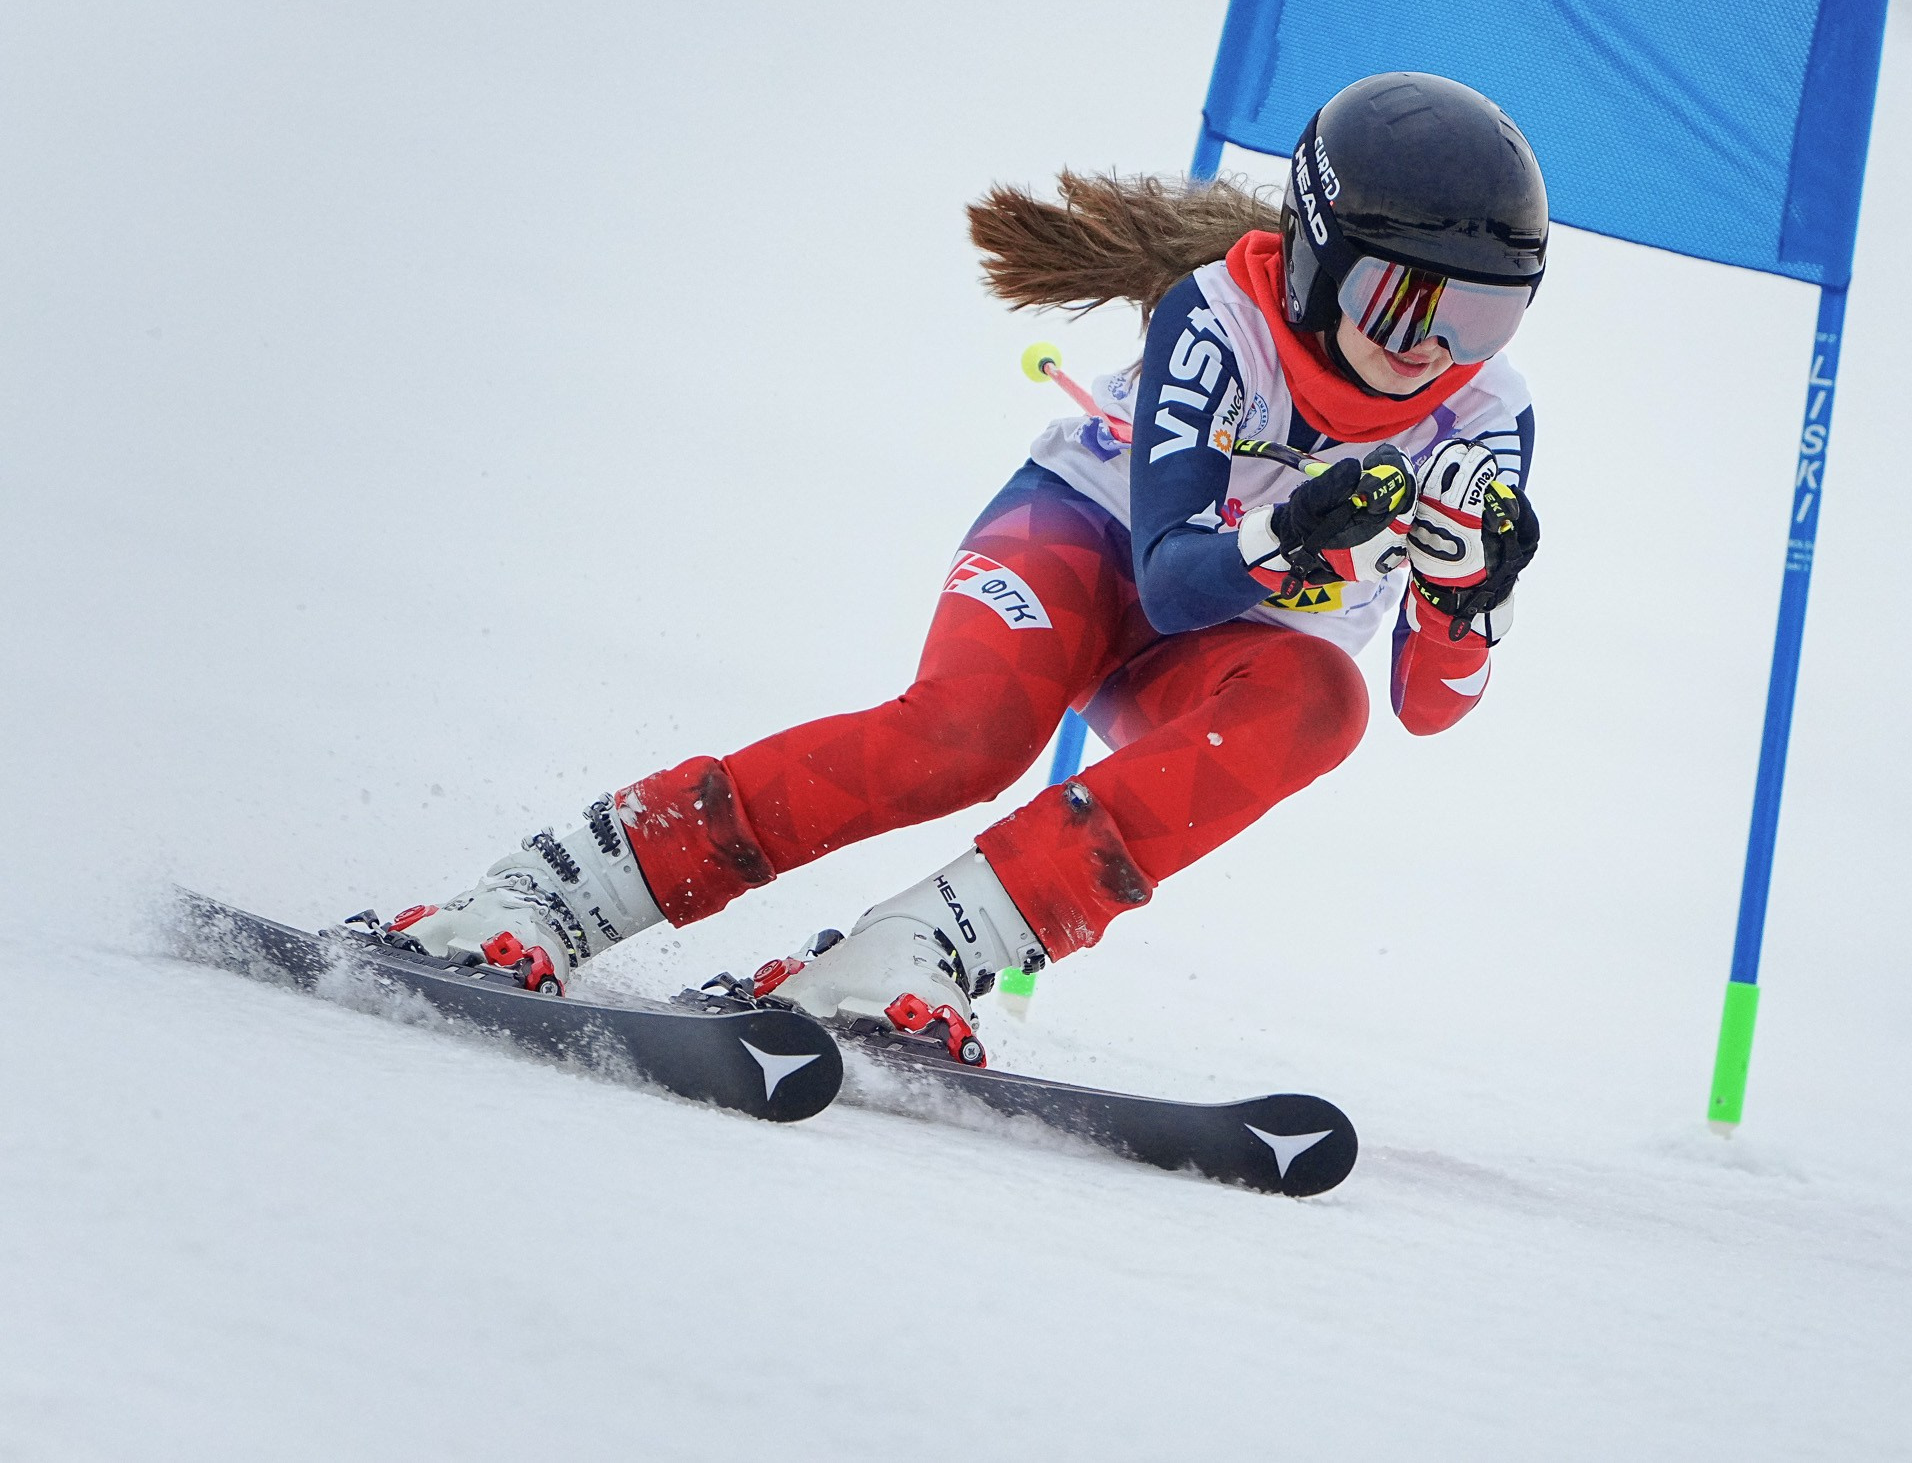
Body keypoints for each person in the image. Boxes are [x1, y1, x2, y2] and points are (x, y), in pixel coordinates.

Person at [386, 71, 1546, 1060]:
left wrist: (1463, 603)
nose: (1434, 353)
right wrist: (1297, 529)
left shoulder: (1486, 414)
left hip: (1230, 645)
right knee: (964, 738)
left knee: (1323, 703)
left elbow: (1424, 711)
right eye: (1399, 304)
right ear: (1313, 260)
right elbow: (1172, 583)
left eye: (1484, 319)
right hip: (1090, 547)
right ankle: (550, 892)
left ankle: (920, 947)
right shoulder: (1222, 314)